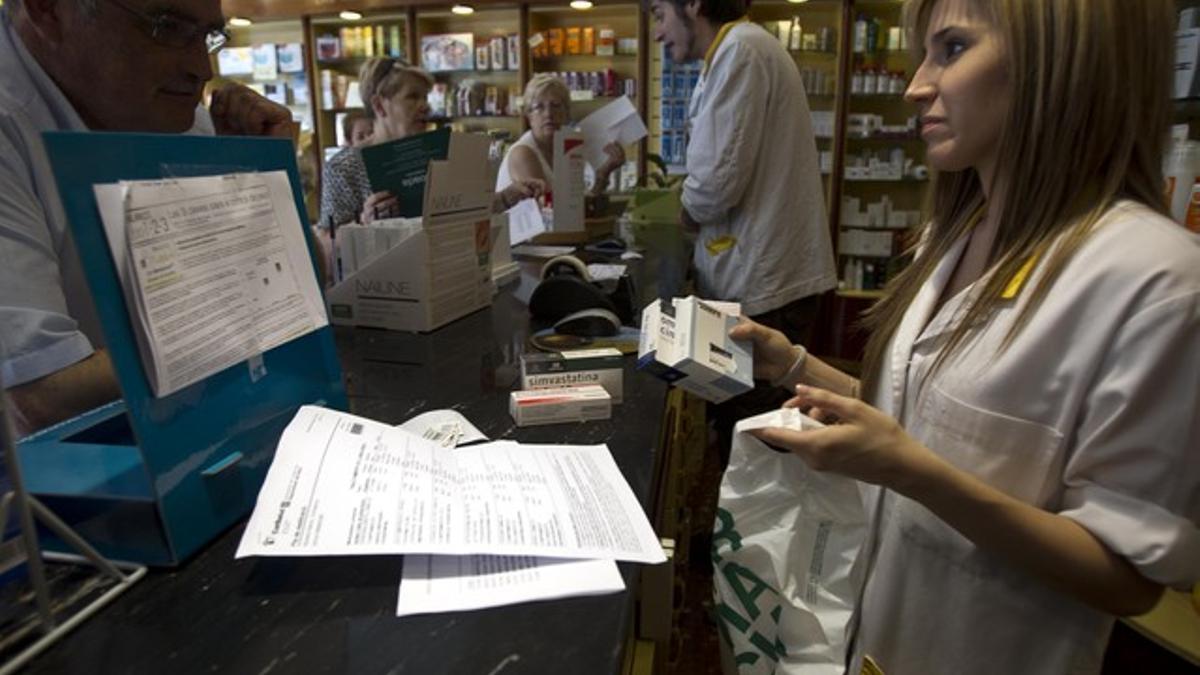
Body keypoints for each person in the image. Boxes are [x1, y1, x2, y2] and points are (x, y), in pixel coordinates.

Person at [732, 0, 1199, 673]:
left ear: (1055, 62)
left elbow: (1127, 575)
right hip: (868, 636)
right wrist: (792, 362)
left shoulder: (1156, 280)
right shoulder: (951, 236)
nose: (916, 84)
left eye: (951, 49)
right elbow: (931, 420)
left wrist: (906, 469)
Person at [0, 0, 297, 435]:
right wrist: (248, 310)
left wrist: (256, 185)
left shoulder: (178, 116)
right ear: (47, 9)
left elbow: (306, 279)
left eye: (209, 36)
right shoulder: (10, 124)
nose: (203, 68)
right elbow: (37, 399)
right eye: (166, 27)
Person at [649, 0, 836, 346]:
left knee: (751, 401)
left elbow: (714, 183)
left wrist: (688, 213)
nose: (658, 32)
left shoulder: (741, 50)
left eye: (660, 15)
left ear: (693, 4)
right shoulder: (736, 50)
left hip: (765, 288)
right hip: (763, 279)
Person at [319, 57, 542, 229]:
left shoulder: (437, 154)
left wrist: (507, 196)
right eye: (413, 97)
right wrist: (363, 224)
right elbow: (329, 247)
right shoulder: (344, 167)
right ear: (379, 106)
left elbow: (458, 210)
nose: (425, 106)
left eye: (425, 97)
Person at [496, 73, 626, 199]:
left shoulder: (565, 148)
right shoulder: (523, 153)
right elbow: (551, 212)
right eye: (539, 107)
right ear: (529, 115)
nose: (548, 114)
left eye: (556, 105)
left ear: (567, 113)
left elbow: (576, 204)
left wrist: (604, 172)